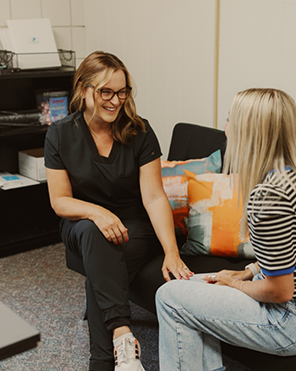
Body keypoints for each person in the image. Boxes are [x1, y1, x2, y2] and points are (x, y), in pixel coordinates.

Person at [155, 88, 296, 371]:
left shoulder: (270, 197)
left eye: (230, 120)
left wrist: (237, 284)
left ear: (249, 132)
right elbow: (294, 253)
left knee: (168, 298)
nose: (225, 129)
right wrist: (248, 272)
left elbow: (280, 292)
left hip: (295, 322)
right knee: (194, 288)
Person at [44, 51, 192, 371]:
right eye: (106, 92)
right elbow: (60, 201)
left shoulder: (139, 130)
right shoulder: (59, 134)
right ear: (83, 90)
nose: (115, 101)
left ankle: (103, 362)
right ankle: (123, 334)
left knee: (101, 266)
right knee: (91, 232)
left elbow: (153, 197)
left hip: (135, 225)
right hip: (81, 222)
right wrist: (97, 213)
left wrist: (171, 252)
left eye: (122, 91)